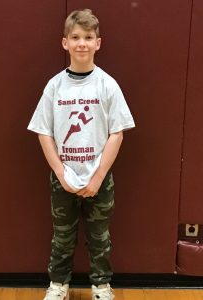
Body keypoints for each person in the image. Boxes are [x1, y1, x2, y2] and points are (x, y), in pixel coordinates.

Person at [27, 8, 135, 300]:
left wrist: (99, 176)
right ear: (65, 43)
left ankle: (101, 286)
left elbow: (118, 132)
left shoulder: (107, 85)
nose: (82, 43)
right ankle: (58, 284)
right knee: (62, 237)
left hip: (98, 179)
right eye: (75, 37)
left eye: (88, 37)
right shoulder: (55, 86)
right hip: (64, 179)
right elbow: (43, 131)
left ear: (98, 43)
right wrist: (60, 173)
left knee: (99, 238)